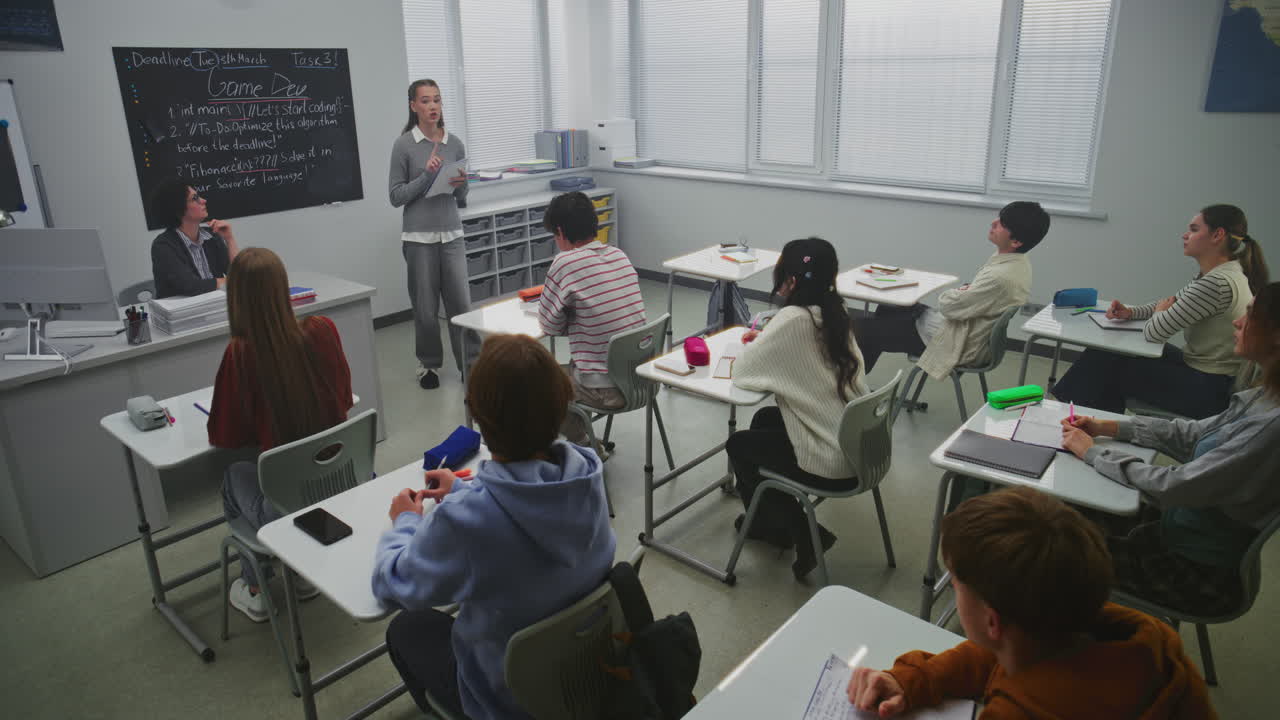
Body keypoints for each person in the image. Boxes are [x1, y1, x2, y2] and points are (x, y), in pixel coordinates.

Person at [374, 334, 616, 719]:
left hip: (507, 701)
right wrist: (464, 491)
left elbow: (394, 584)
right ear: (560, 408)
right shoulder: (587, 473)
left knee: (406, 628)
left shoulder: (463, 524)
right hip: (583, 674)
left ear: (479, 419)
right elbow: (517, 503)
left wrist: (404, 520)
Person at [847, 487, 1217, 719]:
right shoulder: (1128, 636)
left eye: (956, 584)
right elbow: (992, 656)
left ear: (992, 622)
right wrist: (915, 678)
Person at [1061, 282, 1280, 618]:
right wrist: (1113, 428)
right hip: (1177, 533)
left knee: (1039, 541)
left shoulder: (1270, 426)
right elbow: (1193, 433)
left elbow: (1174, 487)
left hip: (1191, 572)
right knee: (1059, 507)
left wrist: (1094, 454)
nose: (1238, 322)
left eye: (1250, 316)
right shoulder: (1264, 397)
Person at [210, 247, 353, 622]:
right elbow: (343, 399)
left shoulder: (240, 353)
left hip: (286, 502)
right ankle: (304, 573)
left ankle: (256, 589)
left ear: (236, 298)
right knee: (303, 464)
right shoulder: (323, 330)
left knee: (232, 476)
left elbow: (226, 436)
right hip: (344, 483)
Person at [728, 237, 869, 580]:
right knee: (763, 418)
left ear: (790, 280)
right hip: (860, 444)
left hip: (831, 457)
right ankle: (763, 520)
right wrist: (769, 339)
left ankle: (804, 531)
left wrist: (762, 341)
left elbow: (744, 374)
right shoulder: (836, 312)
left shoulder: (792, 319)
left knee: (739, 447)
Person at [1052, 204, 1268, 419]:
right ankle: (1084, 420)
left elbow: (1155, 332)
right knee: (1106, 353)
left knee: (1104, 367)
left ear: (1217, 235)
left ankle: (1069, 417)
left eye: (1193, 230)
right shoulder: (1222, 273)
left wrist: (1159, 313)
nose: (1185, 235)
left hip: (1207, 389)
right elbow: (1168, 304)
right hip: (1205, 373)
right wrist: (1131, 312)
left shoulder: (1216, 283)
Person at [852, 201, 1049, 380]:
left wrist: (960, 292)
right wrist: (965, 291)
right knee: (888, 309)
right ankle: (856, 381)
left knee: (860, 328)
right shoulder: (1018, 264)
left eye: (1002, 224)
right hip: (964, 330)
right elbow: (965, 299)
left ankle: (850, 387)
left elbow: (948, 306)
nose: (994, 222)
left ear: (1016, 242)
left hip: (959, 342)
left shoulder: (1001, 277)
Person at [537, 191, 647, 443]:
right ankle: (586, 437)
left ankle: (586, 446)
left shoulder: (564, 263)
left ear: (561, 232)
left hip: (605, 388)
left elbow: (548, 325)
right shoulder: (619, 255)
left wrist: (572, 319)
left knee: (537, 383)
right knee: (571, 370)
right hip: (641, 379)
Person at [389, 78, 472, 390]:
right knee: (425, 308)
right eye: (425, 100)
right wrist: (427, 175)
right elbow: (396, 196)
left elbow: (462, 198)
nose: (433, 106)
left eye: (436, 99)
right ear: (413, 106)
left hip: (452, 233)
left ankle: (470, 363)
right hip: (418, 238)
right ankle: (429, 366)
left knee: (461, 306)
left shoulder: (455, 143)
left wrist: (462, 182)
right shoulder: (403, 145)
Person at [149, 178, 239, 298]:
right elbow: (191, 286)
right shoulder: (163, 246)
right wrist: (229, 281)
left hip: (213, 304)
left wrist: (229, 239)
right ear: (178, 209)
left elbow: (239, 274)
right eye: (195, 199)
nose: (203, 200)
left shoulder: (211, 236)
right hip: (183, 312)